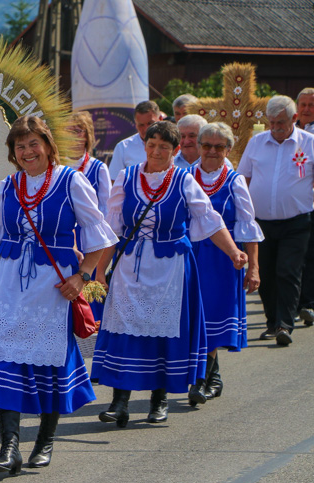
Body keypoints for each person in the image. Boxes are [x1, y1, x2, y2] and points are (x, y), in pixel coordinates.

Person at [0, 116, 117, 473]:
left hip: (51, 285)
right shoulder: (9, 184)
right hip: (8, 284)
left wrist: (81, 277)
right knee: (3, 356)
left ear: (48, 146)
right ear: (12, 153)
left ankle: (45, 440)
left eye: (34, 143)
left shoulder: (71, 181)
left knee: (47, 360)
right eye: (20, 146)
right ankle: (10, 447)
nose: (27, 151)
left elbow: (100, 235)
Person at [92, 121, 247, 426]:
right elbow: (112, 229)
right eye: (152, 145)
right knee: (125, 330)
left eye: (164, 146)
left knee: (164, 335)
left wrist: (233, 251)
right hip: (131, 267)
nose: (156, 151)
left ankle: (159, 400)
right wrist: (99, 271)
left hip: (171, 269)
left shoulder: (183, 180)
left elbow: (210, 220)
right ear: (144, 146)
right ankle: (119, 402)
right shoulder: (127, 177)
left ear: (175, 150)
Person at [189, 122, 263, 400]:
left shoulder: (234, 181)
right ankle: (210, 377)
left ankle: (202, 381)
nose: (211, 151)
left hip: (223, 260)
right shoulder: (184, 176)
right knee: (195, 318)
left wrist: (253, 267)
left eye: (218, 147)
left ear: (229, 149)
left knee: (213, 317)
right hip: (190, 256)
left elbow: (247, 226)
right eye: (206, 145)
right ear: (198, 146)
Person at [238, 95, 314, 345]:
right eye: (271, 122)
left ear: (294, 119)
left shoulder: (309, 143)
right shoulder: (257, 142)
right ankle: (272, 321)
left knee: (288, 271)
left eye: (280, 122)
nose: (275, 127)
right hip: (261, 223)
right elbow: (243, 180)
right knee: (267, 273)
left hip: (297, 221)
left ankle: (285, 324)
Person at [68, 111, 112, 322]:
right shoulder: (57, 167)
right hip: (65, 235)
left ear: (87, 135)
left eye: (78, 131)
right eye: (68, 131)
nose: (74, 136)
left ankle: (89, 330)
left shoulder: (98, 167)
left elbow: (106, 212)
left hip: (89, 236)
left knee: (88, 286)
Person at [294, 88, 314, 321]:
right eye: (303, 105)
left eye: (312, 105)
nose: (307, 109)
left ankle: (307, 302)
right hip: (293, 205)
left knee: (310, 254)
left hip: (311, 203)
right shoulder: (287, 133)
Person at [107, 101, 161, 180]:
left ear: (160, 119)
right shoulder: (123, 148)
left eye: (150, 123)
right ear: (136, 125)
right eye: (141, 125)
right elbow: (114, 181)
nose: (146, 129)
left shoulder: (172, 143)